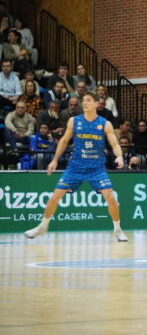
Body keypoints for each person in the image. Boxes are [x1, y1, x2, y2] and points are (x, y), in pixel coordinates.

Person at [24, 92, 128, 242]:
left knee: (111, 198)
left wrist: (119, 156)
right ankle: (42, 226)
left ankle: (118, 230)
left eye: (88, 100)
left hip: (96, 168)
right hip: (75, 167)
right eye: (83, 100)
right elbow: (64, 141)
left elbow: (115, 144)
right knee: (55, 197)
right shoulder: (74, 121)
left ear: (96, 103)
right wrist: (54, 160)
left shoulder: (105, 123)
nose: (84, 103)